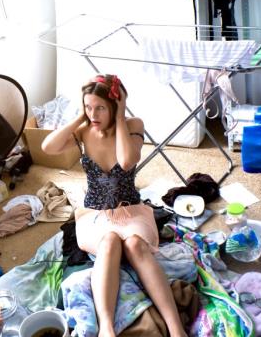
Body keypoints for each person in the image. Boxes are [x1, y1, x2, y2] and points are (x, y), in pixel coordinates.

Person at [42, 74, 187, 337]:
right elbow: (47, 147)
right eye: (88, 107)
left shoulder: (133, 125)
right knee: (109, 241)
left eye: (100, 107)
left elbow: (127, 160)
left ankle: (175, 328)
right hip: (95, 215)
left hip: (130, 210)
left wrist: (120, 117)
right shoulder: (83, 131)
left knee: (134, 245)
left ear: (115, 105)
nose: (93, 114)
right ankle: (106, 328)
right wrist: (79, 119)